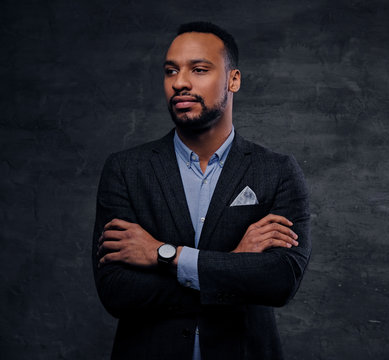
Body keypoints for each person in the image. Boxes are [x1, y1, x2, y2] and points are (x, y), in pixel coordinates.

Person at [92, 21, 311, 360]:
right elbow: (117, 292)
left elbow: (279, 281)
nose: (180, 83)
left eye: (199, 69)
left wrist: (165, 255)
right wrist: (235, 265)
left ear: (233, 80)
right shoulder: (126, 170)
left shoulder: (277, 171)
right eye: (170, 71)